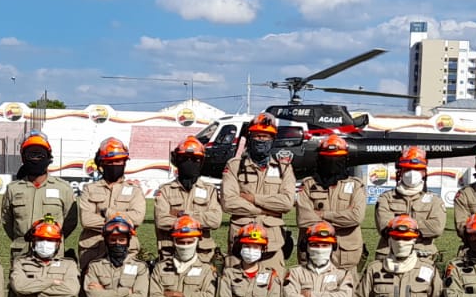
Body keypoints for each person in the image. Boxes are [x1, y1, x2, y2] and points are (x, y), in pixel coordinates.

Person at [222, 113, 296, 270]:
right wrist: (267, 210)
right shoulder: (234, 166)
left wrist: (252, 198)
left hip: (273, 243)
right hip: (240, 241)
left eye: (266, 136)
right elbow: (229, 202)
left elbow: (287, 202)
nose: (261, 140)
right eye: (257, 135)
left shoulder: (284, 168)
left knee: (273, 287)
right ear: (250, 137)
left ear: (273, 139)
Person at [294, 134, 366, 272]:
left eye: (337, 158)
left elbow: (356, 217)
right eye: (328, 158)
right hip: (313, 254)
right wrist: (342, 219)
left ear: (345, 159)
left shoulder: (356, 186)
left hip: (345, 258)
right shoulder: (308, 185)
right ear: (320, 159)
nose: (332, 162)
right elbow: (303, 219)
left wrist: (321, 215)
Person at [3, 131, 78, 258]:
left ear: (48, 157)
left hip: (53, 253)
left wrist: (50, 238)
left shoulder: (63, 188)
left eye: (40, 155)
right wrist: (23, 239)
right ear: (23, 158)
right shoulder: (13, 189)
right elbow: (7, 222)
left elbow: (70, 222)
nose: (35, 159)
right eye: (31, 155)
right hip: (22, 254)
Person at [78, 138, 146, 268]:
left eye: (118, 161)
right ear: (101, 163)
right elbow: (86, 220)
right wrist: (122, 221)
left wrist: (108, 213)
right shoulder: (89, 189)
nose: (115, 164)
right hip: (93, 249)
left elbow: (137, 218)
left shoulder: (135, 190)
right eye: (110, 161)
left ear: (125, 162)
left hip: (126, 250)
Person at [154, 137, 222, 261]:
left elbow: (215, 220)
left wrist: (182, 215)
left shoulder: (209, 190)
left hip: (202, 255)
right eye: (184, 159)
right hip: (171, 253)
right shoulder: (165, 190)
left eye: (195, 159)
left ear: (201, 162)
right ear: (177, 160)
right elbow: (161, 220)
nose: (189, 163)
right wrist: (199, 219)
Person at [374, 146, 445, 258]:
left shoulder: (435, 200)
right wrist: (419, 227)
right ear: (400, 172)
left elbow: (436, 228)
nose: (412, 174)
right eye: (407, 169)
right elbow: (384, 228)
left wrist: (400, 225)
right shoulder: (386, 198)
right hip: (389, 253)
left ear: (424, 172)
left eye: (417, 170)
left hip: (423, 254)